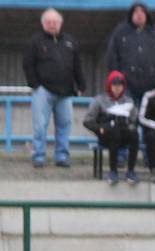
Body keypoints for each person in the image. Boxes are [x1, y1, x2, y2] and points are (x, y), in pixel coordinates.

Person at [23, 8, 86, 168]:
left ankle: (62, 156)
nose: (52, 25)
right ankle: (38, 156)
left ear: (60, 23)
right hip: (43, 91)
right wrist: (35, 85)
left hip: (65, 92)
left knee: (65, 125)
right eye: (49, 22)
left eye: (55, 22)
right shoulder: (35, 41)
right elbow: (28, 65)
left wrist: (81, 84)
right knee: (39, 126)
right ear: (43, 24)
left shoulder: (70, 41)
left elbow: (77, 65)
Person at [83, 71, 139, 185]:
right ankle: (113, 171)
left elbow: (135, 119)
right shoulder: (99, 100)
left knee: (135, 135)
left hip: (124, 133)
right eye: (114, 85)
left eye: (120, 85)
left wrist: (130, 127)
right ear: (109, 85)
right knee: (114, 133)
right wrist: (99, 129)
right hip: (106, 133)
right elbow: (87, 121)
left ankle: (131, 171)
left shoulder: (128, 101)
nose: (117, 88)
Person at [106, 2, 155, 105]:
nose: (139, 14)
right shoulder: (120, 32)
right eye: (136, 11)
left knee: (147, 116)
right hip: (126, 85)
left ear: (147, 15)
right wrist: (117, 77)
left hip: (150, 84)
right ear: (131, 14)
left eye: (142, 11)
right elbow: (112, 56)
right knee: (127, 115)